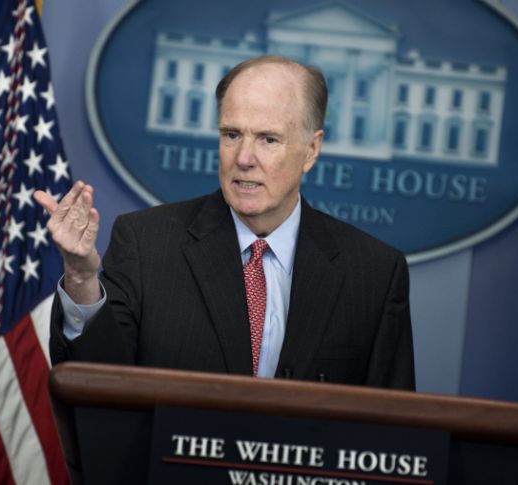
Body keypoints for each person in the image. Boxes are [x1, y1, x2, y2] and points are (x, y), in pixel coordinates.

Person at [34, 55, 415, 390]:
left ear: (311, 150)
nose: (244, 158)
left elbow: (391, 433)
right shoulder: (146, 243)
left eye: (268, 139)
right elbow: (99, 382)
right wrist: (83, 279)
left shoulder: (374, 274)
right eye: (232, 134)